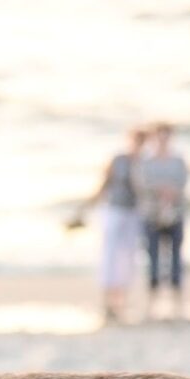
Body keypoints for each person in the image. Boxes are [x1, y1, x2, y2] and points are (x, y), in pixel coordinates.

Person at [68, 127, 147, 324]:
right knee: (110, 255)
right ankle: (107, 301)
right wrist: (84, 209)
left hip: (134, 212)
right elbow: (103, 185)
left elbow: (146, 191)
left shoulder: (145, 163)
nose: (139, 145)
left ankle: (121, 301)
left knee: (128, 257)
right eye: (136, 140)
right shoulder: (118, 160)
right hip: (114, 211)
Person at [136, 123, 190, 319]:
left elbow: (184, 182)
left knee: (176, 256)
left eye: (166, 135)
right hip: (152, 214)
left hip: (176, 213)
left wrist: (172, 192)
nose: (163, 139)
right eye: (160, 136)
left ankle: (177, 302)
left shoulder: (178, 161)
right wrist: (159, 191)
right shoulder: (146, 161)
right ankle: (152, 301)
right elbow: (141, 183)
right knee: (153, 257)